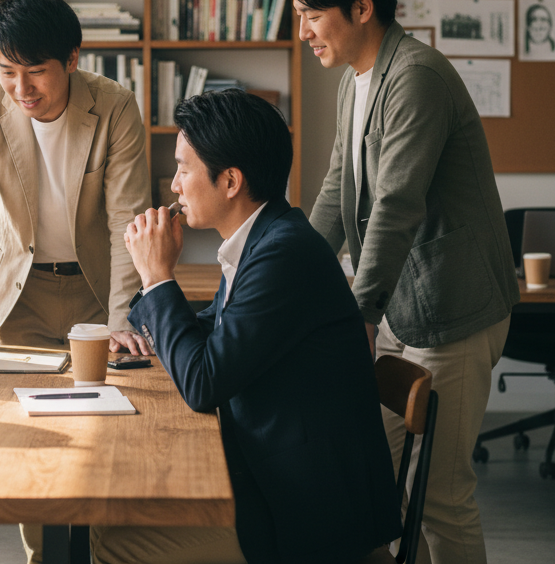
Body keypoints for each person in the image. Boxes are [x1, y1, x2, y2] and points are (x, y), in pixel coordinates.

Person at [281, 0, 518, 564]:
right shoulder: (354, 82)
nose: (302, 31)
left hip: (452, 310)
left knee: (438, 495)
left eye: (311, 14)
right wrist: (283, 272)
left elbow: (395, 204)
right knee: (363, 479)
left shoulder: (416, 77)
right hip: (399, 307)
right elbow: (337, 189)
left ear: (362, 8)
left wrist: (359, 312)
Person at [97, 89, 402, 564]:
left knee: (112, 540)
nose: (173, 186)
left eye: (183, 169)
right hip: (283, 481)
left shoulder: (282, 254)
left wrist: (157, 279)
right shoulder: (265, 237)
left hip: (305, 516)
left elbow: (203, 383)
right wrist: (145, 333)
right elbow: (216, 334)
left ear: (230, 181)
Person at [0, 0, 152, 357]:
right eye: (8, 72)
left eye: (36, 72)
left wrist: (123, 317)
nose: (22, 89)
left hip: (98, 289)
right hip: (19, 291)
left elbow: (127, 219)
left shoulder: (115, 106)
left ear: (71, 59)